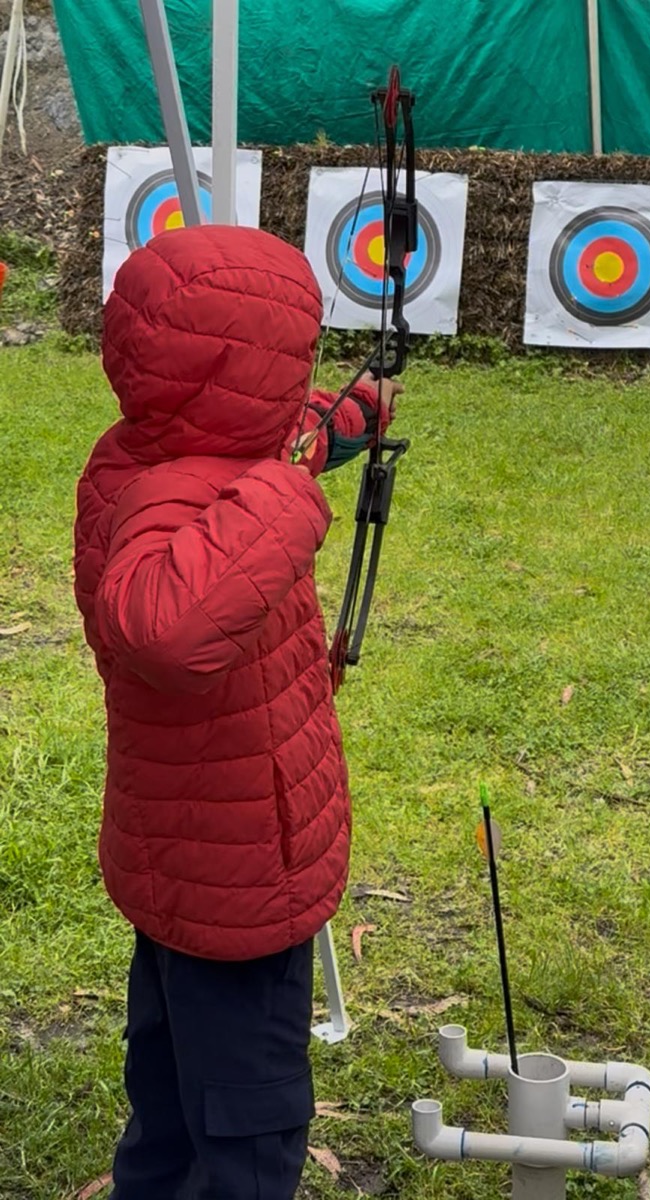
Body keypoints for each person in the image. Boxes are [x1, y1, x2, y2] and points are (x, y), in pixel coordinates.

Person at [73, 223, 402, 1199]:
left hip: (185, 855)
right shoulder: (168, 502)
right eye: (286, 360)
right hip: (238, 878)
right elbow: (168, 625)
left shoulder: (149, 447)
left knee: (175, 1091)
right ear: (231, 373)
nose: (295, 379)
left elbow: (243, 453)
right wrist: (296, 483)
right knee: (247, 1125)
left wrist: (330, 427)